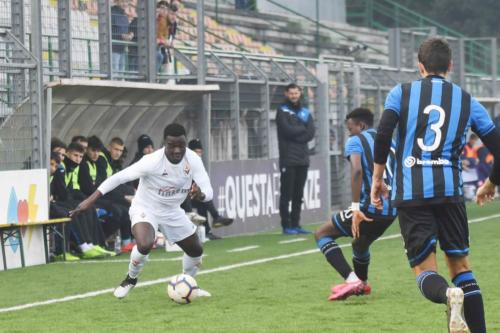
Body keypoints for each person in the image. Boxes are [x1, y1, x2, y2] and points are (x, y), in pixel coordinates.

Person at [371, 38, 500, 333]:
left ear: (420, 66)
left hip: (411, 194)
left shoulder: (400, 93)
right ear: (450, 66)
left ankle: (446, 296)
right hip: (450, 193)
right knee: (462, 269)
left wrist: (378, 178)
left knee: (425, 271)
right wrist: (490, 183)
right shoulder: (467, 101)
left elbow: (382, 135)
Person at [70, 124, 213, 299]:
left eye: (181, 146)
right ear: (164, 144)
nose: (177, 150)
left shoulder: (193, 160)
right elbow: (118, 178)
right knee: (145, 243)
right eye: (172, 146)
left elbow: (208, 191)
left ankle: (188, 284)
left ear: (185, 144)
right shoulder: (152, 161)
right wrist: (89, 201)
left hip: (172, 210)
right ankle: (130, 279)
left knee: (196, 250)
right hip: (146, 207)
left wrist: (200, 194)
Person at [314, 108, 396, 301]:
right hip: (392, 209)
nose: (349, 133)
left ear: (361, 125)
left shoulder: (356, 141)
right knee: (360, 243)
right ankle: (362, 284)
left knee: (322, 234)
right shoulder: (390, 141)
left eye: (350, 128)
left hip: (369, 207)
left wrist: (356, 206)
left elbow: (357, 171)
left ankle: (352, 280)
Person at [78, 136, 133, 253]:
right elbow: (98, 186)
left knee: (125, 209)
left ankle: (125, 242)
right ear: (109, 148)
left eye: (120, 151)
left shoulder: (103, 162)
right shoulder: (99, 161)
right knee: (118, 210)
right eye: (116, 149)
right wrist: (124, 197)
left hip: (98, 196)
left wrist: (130, 193)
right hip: (92, 198)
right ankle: (99, 242)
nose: (96, 154)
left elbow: (109, 184)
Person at [276, 83, 315, 235]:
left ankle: (296, 224)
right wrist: (302, 129)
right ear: (286, 94)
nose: (294, 96)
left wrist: (298, 133)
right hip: (288, 158)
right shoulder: (282, 111)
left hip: (303, 158)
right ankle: (286, 226)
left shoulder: (305, 112)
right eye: (291, 93)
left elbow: (311, 132)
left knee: (298, 194)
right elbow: (286, 131)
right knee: (287, 194)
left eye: (296, 93)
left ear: (300, 94)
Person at [186, 139, 234, 240]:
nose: (199, 154)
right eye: (196, 152)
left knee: (203, 201)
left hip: (191, 196)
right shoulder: (185, 164)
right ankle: (215, 218)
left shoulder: (198, 165)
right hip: (181, 199)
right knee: (202, 199)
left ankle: (207, 231)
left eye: (200, 152)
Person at [111, 0, 133, 75]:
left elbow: (126, 29)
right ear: (116, 1)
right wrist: (121, 35)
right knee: (115, 73)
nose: (124, 4)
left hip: (122, 49)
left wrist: (130, 34)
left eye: (126, 1)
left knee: (121, 73)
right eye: (122, 1)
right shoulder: (111, 12)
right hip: (113, 49)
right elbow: (109, 30)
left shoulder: (124, 15)